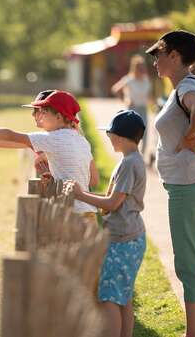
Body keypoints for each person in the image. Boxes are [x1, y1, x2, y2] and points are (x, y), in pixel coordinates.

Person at [0, 90, 99, 222]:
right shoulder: (81, 140)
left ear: (58, 117)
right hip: (88, 214)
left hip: (70, 215)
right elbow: (93, 180)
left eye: (42, 111)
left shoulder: (54, 139)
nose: (36, 115)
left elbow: (8, 136)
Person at [146, 30, 195, 337]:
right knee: (189, 258)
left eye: (157, 54)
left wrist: (188, 138)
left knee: (187, 261)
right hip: (185, 184)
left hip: (188, 186)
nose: (155, 61)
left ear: (173, 56)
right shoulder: (182, 87)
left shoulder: (187, 86)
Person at [66, 110, 147, 337]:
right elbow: (114, 200)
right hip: (129, 236)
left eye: (110, 135)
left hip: (123, 240)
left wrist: (81, 195)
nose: (109, 139)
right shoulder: (130, 161)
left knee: (108, 297)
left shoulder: (129, 164)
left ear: (120, 137)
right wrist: (92, 197)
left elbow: (112, 203)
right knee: (123, 296)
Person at [111, 54, 151, 155]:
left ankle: (142, 156)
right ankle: (131, 154)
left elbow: (149, 94)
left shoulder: (146, 79)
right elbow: (115, 89)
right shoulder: (129, 79)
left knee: (145, 132)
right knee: (131, 134)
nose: (142, 69)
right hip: (132, 109)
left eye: (143, 66)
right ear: (134, 68)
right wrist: (125, 100)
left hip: (143, 108)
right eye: (139, 67)